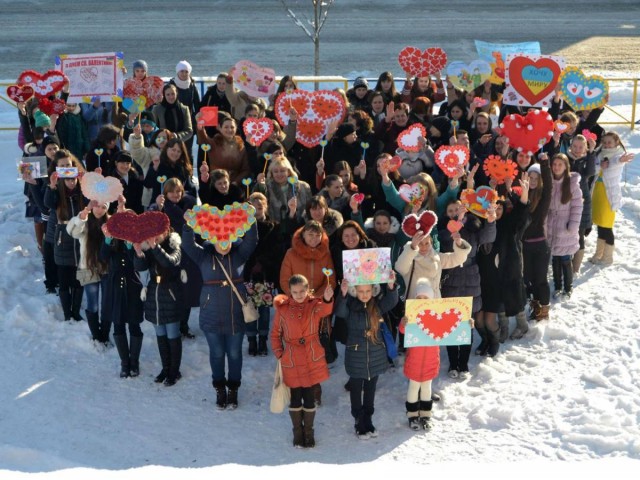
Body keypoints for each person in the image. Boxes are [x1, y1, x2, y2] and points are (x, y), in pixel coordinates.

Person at [181, 217, 258, 410]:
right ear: (212, 239)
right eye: (219, 239)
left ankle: (233, 388)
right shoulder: (204, 257)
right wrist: (188, 225)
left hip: (235, 314)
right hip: (211, 314)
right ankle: (219, 388)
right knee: (216, 353)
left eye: (227, 239)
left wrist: (251, 219)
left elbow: (251, 240)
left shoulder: (239, 255)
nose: (223, 243)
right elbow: (188, 244)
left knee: (234, 353)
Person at [271, 274, 335, 448]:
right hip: (291, 358)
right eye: (295, 292)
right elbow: (275, 334)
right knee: (295, 398)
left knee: (309, 396)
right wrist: (279, 353)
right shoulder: (283, 309)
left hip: (311, 357)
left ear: (308, 290)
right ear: (290, 292)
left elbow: (325, 310)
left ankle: (309, 432)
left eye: (302, 291)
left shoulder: (314, 305)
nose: (299, 295)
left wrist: (328, 299)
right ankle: (297, 432)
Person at [335, 272, 399, 439]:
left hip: (376, 357)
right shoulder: (350, 307)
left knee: (370, 390)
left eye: (367, 291)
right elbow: (340, 312)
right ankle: (358, 419)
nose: (364, 295)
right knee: (356, 390)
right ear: (355, 291)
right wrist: (342, 294)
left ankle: (368, 419)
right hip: (356, 356)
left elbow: (391, 301)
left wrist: (391, 286)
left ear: (373, 291)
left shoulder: (377, 307)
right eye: (360, 291)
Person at [244, 192, 296, 356]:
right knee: (249, 309)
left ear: (266, 206)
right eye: (254, 202)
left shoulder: (274, 226)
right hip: (248, 274)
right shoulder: (242, 227)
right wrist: (251, 264)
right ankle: (251, 340)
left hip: (266, 273)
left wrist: (263, 262)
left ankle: (263, 340)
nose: (258, 205)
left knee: (265, 310)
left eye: (261, 203)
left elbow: (277, 249)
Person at [133, 229, 184, 387]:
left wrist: (155, 247)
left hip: (170, 295)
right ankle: (165, 368)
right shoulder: (149, 248)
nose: (156, 235)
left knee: (172, 336)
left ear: (167, 230)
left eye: (160, 231)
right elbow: (140, 267)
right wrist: (139, 253)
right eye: (154, 232)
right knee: (161, 336)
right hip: (153, 296)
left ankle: (174, 372)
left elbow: (169, 262)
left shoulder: (174, 245)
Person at [44, 151, 86, 321]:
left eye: (68, 166)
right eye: (62, 166)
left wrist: (93, 181)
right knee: (63, 276)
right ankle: (67, 313)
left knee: (78, 277)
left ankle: (75, 312)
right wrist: (52, 186)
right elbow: (48, 204)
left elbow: (95, 199)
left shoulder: (81, 185)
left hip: (80, 237)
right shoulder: (56, 186)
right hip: (62, 237)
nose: (66, 170)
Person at [101, 212, 144, 378]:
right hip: (115, 286)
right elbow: (103, 257)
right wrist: (107, 240)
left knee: (134, 324)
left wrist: (130, 246)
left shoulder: (136, 240)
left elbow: (138, 263)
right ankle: (124, 363)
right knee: (118, 324)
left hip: (132, 284)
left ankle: (134, 361)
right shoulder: (111, 238)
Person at [67, 200, 110, 344]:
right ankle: (96, 336)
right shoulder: (85, 222)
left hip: (106, 269)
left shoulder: (109, 223)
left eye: (103, 207)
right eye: (97, 206)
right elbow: (72, 232)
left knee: (106, 304)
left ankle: (104, 335)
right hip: (88, 267)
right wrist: (83, 215)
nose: (99, 209)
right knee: (93, 304)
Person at [589, 132, 634, 266]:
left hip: (609, 196)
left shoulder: (618, 154)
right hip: (597, 192)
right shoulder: (600, 153)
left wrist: (621, 160)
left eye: (610, 142)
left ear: (616, 142)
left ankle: (607, 257)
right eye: (605, 142)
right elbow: (595, 168)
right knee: (600, 225)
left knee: (606, 226)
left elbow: (615, 161)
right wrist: (600, 166)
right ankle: (598, 254)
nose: (607, 144)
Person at [399, 279, 438, 430]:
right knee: (414, 387)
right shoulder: (411, 315)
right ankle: (412, 415)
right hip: (414, 359)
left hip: (430, 359)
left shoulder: (436, 316)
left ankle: (426, 415)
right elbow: (402, 331)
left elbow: (452, 329)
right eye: (419, 298)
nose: (422, 301)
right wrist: (403, 323)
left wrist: (467, 324)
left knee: (427, 388)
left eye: (425, 298)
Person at [547, 154, 583, 299]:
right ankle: (557, 286)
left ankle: (568, 287)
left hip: (566, 226)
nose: (556, 167)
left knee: (565, 260)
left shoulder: (572, 184)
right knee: (555, 259)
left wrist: (573, 225)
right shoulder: (548, 181)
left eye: (560, 165)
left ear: (566, 166)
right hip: (551, 226)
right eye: (554, 164)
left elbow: (577, 206)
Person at [522, 155, 552, 321]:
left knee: (541, 279)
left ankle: (544, 310)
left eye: (536, 178)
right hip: (525, 246)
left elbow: (549, 186)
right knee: (529, 279)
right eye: (530, 177)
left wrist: (545, 164)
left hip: (540, 245)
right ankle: (535, 306)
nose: (533, 180)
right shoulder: (524, 196)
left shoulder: (543, 197)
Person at [567, 134, 596, 274]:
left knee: (579, 234)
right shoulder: (566, 159)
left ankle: (575, 268)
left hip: (582, 201)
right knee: (567, 232)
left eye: (581, 147)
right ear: (570, 146)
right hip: (566, 201)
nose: (577, 149)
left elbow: (590, 172)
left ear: (585, 148)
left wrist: (591, 153)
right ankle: (565, 263)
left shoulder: (586, 160)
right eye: (575, 146)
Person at [196, 112, 250, 185]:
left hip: (234, 185)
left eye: (232, 127)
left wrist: (235, 182)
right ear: (220, 128)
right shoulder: (214, 143)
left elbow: (245, 170)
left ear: (236, 129)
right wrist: (200, 127)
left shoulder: (241, 147)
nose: (229, 130)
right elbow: (203, 139)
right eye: (226, 127)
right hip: (216, 183)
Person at [169, 60, 201, 157]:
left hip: (188, 121)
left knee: (187, 150)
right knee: (174, 148)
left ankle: (188, 170)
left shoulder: (191, 85)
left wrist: (197, 119)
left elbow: (197, 104)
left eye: (186, 71)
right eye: (182, 71)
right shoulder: (171, 85)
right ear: (177, 72)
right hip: (174, 120)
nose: (184, 74)